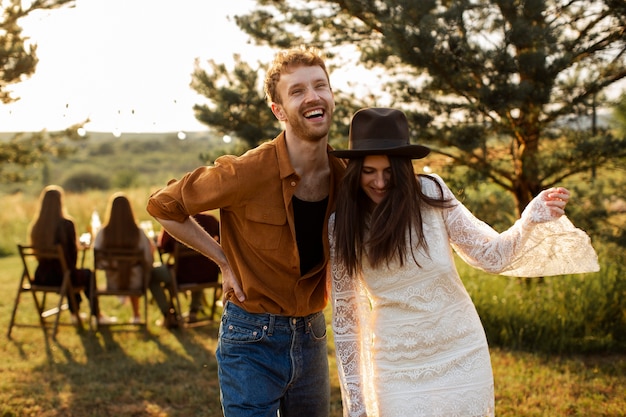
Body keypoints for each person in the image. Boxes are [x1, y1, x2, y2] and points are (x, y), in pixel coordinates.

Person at [328, 107, 600, 417]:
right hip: (395, 366)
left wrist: (528, 220)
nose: (379, 182)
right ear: (354, 169)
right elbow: (347, 321)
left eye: (389, 172)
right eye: (369, 171)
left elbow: (489, 255)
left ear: (403, 168)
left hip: (461, 354)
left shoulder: (431, 192)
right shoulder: (342, 225)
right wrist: (358, 406)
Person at [147, 46, 345, 417]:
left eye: (321, 86)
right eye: (298, 91)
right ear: (279, 111)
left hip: (313, 335)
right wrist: (222, 259)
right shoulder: (246, 172)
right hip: (251, 337)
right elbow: (163, 205)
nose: (313, 96)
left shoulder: (343, 175)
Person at [94, 193, 177, 328]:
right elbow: (148, 261)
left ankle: (145, 314)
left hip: (113, 283)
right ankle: (139, 315)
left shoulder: (102, 233)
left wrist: (114, 266)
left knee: (133, 271)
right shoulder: (138, 232)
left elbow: (98, 263)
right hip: (136, 283)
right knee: (140, 271)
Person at [29, 185, 108, 324]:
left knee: (69, 272)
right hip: (61, 277)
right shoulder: (66, 224)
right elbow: (71, 257)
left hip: (42, 276)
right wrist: (80, 247)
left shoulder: (37, 226)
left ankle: (75, 312)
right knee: (84, 274)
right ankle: (97, 315)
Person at [158, 211, 220, 323]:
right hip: (208, 274)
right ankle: (194, 311)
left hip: (181, 275)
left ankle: (168, 314)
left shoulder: (175, 221)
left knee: (154, 274)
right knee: (198, 266)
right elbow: (224, 239)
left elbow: (164, 246)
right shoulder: (211, 220)